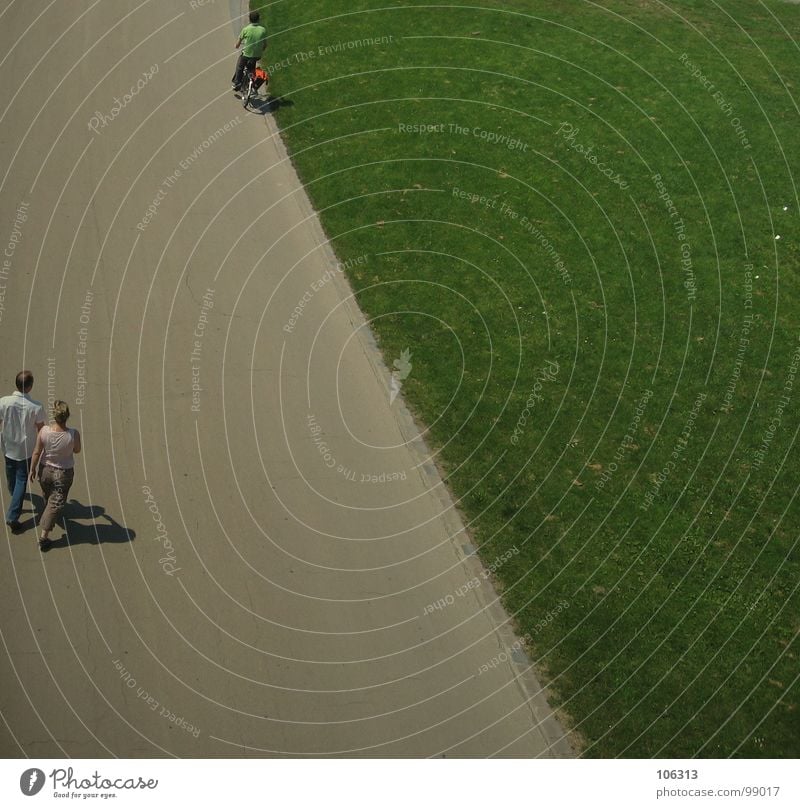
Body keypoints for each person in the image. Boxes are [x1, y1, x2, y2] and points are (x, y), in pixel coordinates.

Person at [30, 400, 81, 551]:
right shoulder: (73, 434)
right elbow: (77, 450)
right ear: (67, 416)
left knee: (47, 493)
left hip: (45, 470)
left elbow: (37, 452)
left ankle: (47, 510)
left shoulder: (44, 431)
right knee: (55, 503)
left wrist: (32, 469)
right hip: (63, 474)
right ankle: (44, 537)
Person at [0, 371, 45, 532]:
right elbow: (41, 430)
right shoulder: (36, 407)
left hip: (7, 445)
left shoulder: (3, 402)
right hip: (26, 449)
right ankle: (13, 515)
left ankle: (14, 495)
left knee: (10, 471)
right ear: (30, 386)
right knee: (21, 479)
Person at [231, 10, 267, 93]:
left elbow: (238, 44)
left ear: (249, 19)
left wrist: (236, 46)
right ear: (258, 19)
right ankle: (253, 86)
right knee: (252, 68)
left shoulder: (246, 29)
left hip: (246, 54)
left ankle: (237, 83)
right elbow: (265, 45)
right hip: (257, 55)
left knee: (240, 67)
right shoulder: (263, 30)